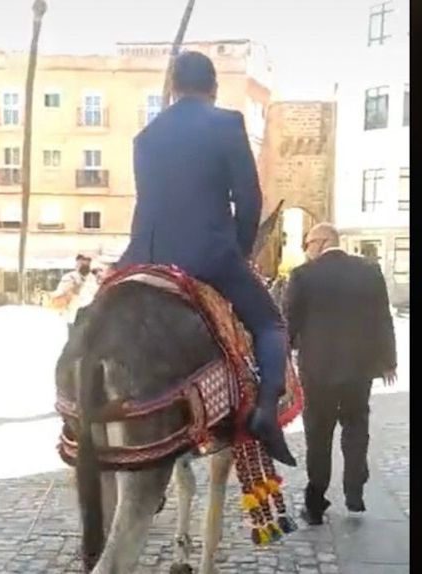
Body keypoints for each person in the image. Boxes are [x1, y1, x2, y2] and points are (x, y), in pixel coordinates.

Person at [117, 51, 296, 466]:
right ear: (213, 87)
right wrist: (240, 252)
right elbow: (249, 199)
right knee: (270, 324)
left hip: (147, 257)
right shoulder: (227, 124)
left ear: (173, 86)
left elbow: (147, 206)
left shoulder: (146, 137)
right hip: (209, 256)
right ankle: (266, 411)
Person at [283, 223, 397, 525]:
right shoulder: (369, 272)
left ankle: (316, 503)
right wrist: (389, 362)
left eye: (308, 243)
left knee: (318, 434)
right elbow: (382, 317)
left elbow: (289, 323)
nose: (306, 250)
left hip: (317, 370)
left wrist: (282, 362)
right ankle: (354, 490)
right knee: (356, 426)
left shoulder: (303, 276)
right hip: (360, 368)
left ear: (322, 242)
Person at [51, 254, 99, 338]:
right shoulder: (69, 277)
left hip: (89, 318)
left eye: (87, 262)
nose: (84, 264)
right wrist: (72, 290)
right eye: (81, 262)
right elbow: (59, 294)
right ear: (77, 263)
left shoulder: (93, 279)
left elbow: (96, 295)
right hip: (73, 317)